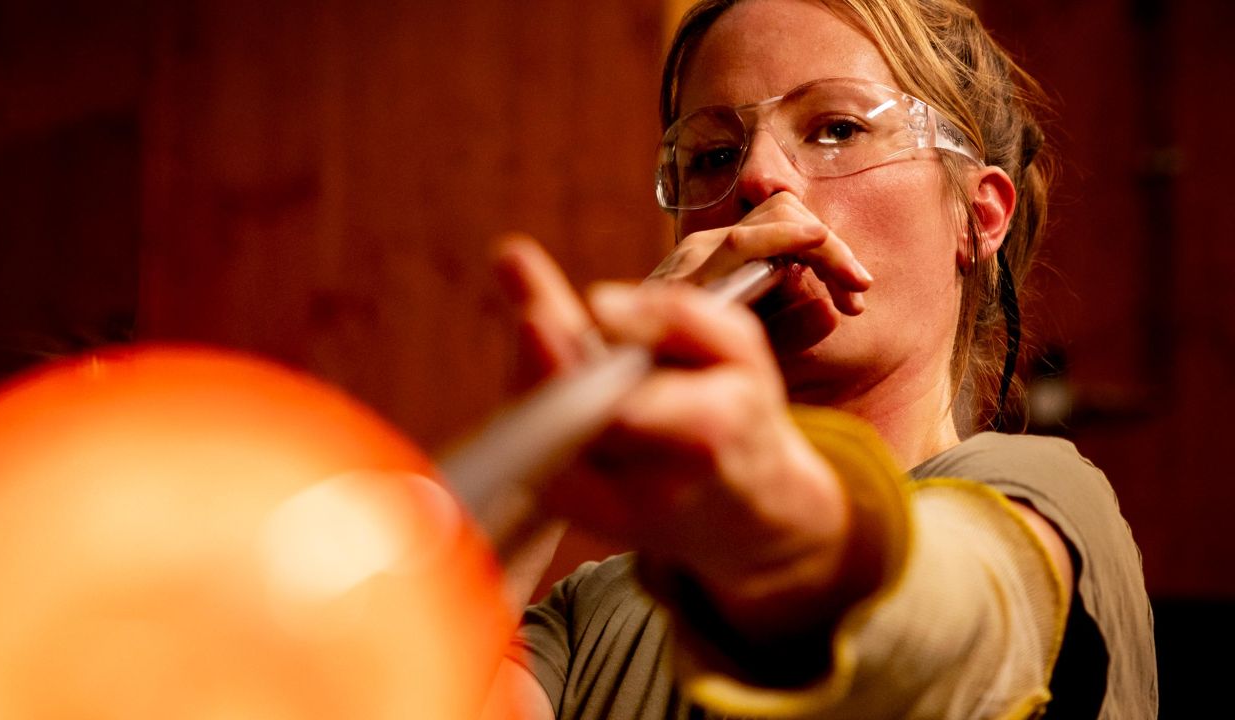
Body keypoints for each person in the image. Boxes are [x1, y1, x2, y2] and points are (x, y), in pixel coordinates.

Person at [491, 0, 1157, 717]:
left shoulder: (1041, 494)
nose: (756, 179)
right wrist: (556, 439)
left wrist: (788, 549)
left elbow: (960, 618)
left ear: (979, 216)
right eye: (715, 154)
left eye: (837, 128)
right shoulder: (603, 609)